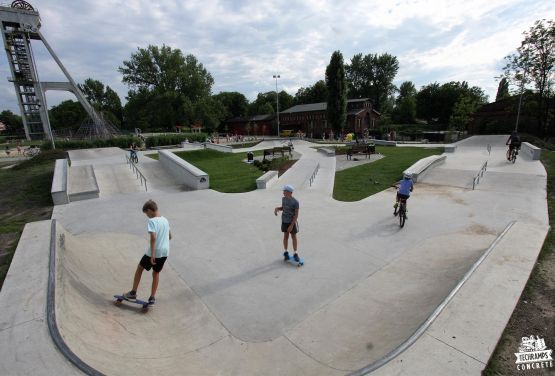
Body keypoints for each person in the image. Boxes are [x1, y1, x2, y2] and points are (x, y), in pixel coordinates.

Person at [124, 200, 172, 305]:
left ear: (150, 210)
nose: (147, 216)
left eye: (146, 213)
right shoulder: (165, 220)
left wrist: (153, 254)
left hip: (154, 252)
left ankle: (133, 292)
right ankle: (152, 297)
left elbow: (153, 237)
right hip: (165, 252)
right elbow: (170, 236)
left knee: (140, 268)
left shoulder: (152, 221)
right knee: (156, 273)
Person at [274, 185, 300, 262]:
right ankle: (286, 252)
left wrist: (292, 225)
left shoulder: (295, 202)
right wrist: (277, 208)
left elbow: (296, 215)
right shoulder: (283, 199)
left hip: (292, 222)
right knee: (285, 237)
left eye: (284, 191)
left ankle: (295, 253)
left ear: (289, 192)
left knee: (293, 237)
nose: (283, 192)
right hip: (284, 221)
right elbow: (283, 208)